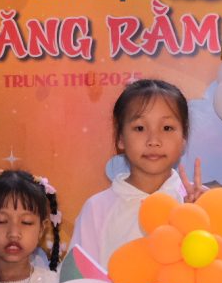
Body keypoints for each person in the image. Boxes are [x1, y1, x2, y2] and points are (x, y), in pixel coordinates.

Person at [71, 79, 204, 266]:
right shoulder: (97, 208)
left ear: (183, 138)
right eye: (140, 128)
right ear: (120, 138)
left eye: (167, 128)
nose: (153, 140)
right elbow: (79, 276)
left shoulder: (198, 202)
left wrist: (199, 220)